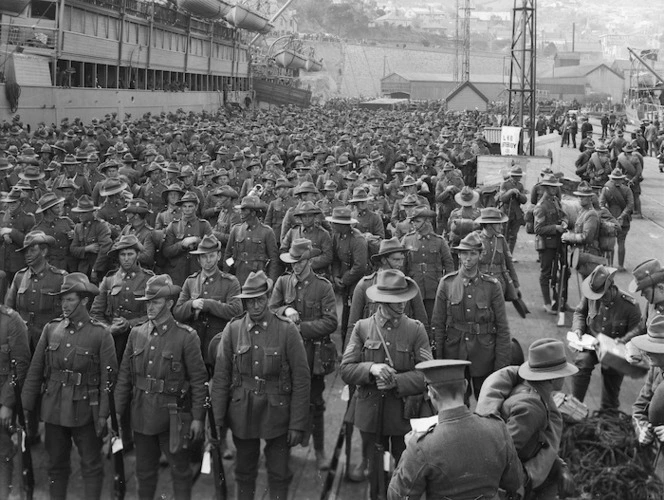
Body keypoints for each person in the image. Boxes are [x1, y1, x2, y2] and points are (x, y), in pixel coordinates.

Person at [211, 271, 311, 500]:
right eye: (250, 301)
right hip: (242, 412)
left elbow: (302, 380)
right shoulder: (233, 330)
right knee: (244, 471)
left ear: (267, 298)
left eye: (260, 299)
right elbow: (221, 378)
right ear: (243, 302)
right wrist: (216, 422)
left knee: (279, 473)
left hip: (278, 414)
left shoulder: (286, 330)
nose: (255, 305)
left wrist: (297, 423)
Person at [21, 273, 117, 500]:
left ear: (84, 300)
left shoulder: (100, 334)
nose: (64, 305)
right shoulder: (51, 329)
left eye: (70, 299)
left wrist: (104, 415)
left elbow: (108, 380)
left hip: (86, 409)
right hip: (53, 408)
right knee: (56, 466)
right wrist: (25, 408)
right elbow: (35, 371)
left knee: (91, 465)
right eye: (62, 300)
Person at [113, 274, 208, 500]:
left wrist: (197, 418)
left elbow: (198, 380)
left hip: (173, 418)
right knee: (143, 472)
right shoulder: (136, 334)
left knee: (180, 472)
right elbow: (125, 377)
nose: (150, 307)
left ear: (169, 304)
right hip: (141, 414)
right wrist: (116, 413)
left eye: (155, 302)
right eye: (147, 302)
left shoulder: (186, 337)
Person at [341, 269, 433, 489]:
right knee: (375, 476)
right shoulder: (363, 328)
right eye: (396, 300)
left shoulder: (415, 329)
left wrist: (397, 381)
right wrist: (371, 368)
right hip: (370, 414)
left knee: (404, 471)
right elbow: (346, 369)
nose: (402, 304)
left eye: (403, 299)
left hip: (403, 415)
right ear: (382, 301)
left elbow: (428, 375)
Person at [387, 359, 523, 500]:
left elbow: (397, 496)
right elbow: (514, 481)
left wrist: (408, 451)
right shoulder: (498, 428)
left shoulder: (420, 446)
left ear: (431, 392)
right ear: (465, 386)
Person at [476, 338, 577, 500]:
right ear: (552, 378)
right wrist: (520, 484)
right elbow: (503, 452)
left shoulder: (530, 391)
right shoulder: (532, 408)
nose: (565, 379)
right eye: (562, 374)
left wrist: (559, 464)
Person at [269, 238, 338, 470]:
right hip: (285, 355)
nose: (295, 267)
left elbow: (330, 322)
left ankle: (319, 450)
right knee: (283, 400)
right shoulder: (282, 282)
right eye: (293, 263)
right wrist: (285, 309)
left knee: (315, 402)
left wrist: (300, 328)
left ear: (308, 260)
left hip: (312, 355)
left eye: (299, 262)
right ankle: (285, 450)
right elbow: (270, 311)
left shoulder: (323, 287)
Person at [431, 232, 511, 400]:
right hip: (454, 353)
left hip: (484, 354)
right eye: (464, 253)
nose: (468, 258)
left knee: (488, 404)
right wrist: (438, 361)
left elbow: (503, 328)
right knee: (457, 405)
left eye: (473, 253)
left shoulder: (492, 286)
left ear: (481, 255)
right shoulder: (447, 283)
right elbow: (437, 325)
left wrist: (500, 366)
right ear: (458, 255)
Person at [570, 265, 641, 409]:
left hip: (616, 349)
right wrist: (578, 329)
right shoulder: (591, 296)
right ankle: (574, 406)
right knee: (582, 364)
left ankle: (608, 415)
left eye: (603, 296)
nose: (600, 300)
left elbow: (636, 336)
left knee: (612, 378)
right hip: (592, 343)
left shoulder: (630, 306)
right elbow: (579, 313)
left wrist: (621, 346)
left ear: (611, 288)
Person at [173, 234, 242, 367]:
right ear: (198, 259)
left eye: (211, 256)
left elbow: (237, 311)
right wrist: (191, 304)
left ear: (219, 257)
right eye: (204, 256)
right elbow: (177, 312)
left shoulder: (230, 282)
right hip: (194, 345)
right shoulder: (191, 281)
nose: (208, 260)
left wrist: (208, 304)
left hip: (220, 343)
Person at [348, 237, 428, 339]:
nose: (400, 264)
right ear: (384, 260)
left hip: (403, 343)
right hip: (373, 343)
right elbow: (353, 325)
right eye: (396, 260)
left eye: (402, 260)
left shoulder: (410, 285)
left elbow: (422, 321)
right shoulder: (365, 285)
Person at [402, 205, 454, 327]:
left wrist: (447, 286)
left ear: (427, 222)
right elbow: (402, 265)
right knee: (414, 320)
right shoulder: (407, 240)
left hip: (433, 286)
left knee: (434, 319)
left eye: (418, 221)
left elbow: (449, 264)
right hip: (414, 285)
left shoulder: (439, 241)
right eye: (413, 221)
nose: (414, 224)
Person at [0, 302, 30, 499]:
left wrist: (7, 403)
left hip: (1, 398)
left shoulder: (11, 321)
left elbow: (20, 364)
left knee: (3, 454)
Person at [327, 206, 368, 343]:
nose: (332, 225)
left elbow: (360, 267)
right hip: (345, 282)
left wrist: (344, 280)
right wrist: (336, 276)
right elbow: (335, 258)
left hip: (357, 283)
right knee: (345, 318)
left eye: (334, 223)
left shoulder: (358, 240)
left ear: (343, 225)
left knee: (354, 317)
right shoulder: (337, 236)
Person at [631, 314, 664, 485]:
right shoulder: (656, 369)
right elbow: (639, 408)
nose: (645, 352)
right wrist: (641, 429)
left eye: (653, 348)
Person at [224, 194, 279, 286]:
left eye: (244, 210)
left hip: (258, 280)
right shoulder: (236, 230)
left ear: (253, 213)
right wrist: (228, 273)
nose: (240, 212)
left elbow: (273, 259)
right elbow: (228, 255)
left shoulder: (267, 232)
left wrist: (271, 281)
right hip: (239, 279)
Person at [533, 174, 568, 314]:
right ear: (545, 188)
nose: (554, 190)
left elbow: (563, 214)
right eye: (551, 187)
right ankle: (547, 303)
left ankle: (559, 301)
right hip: (547, 245)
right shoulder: (541, 206)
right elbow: (538, 229)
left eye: (555, 187)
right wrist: (555, 228)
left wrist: (564, 221)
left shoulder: (556, 201)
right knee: (546, 273)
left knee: (564, 271)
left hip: (559, 242)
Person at [162, 191, 213, 286]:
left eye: (190, 206)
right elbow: (166, 251)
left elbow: (212, 247)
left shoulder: (204, 225)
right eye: (184, 206)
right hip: (177, 272)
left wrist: (198, 241)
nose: (187, 209)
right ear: (181, 208)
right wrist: (181, 245)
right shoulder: (173, 226)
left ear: (196, 207)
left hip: (198, 270)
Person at [476, 207, 521, 301]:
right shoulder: (476, 240)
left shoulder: (500, 239)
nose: (501, 227)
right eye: (498, 224)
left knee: (499, 312)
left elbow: (509, 263)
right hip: (481, 283)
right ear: (488, 226)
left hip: (499, 283)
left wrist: (515, 284)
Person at [280, 201, 333, 276]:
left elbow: (328, 256)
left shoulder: (323, 234)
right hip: (295, 272)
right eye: (304, 216)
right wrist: (294, 263)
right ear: (300, 218)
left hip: (316, 274)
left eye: (310, 216)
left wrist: (307, 264)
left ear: (314, 217)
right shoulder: (292, 232)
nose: (307, 219)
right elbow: (283, 251)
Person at [561, 182, 601, 279]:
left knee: (589, 285)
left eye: (583, 197)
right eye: (579, 196)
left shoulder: (591, 215)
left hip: (590, 254)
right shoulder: (582, 211)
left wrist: (570, 237)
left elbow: (586, 237)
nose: (580, 198)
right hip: (582, 253)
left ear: (590, 198)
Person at [69, 194, 113, 283]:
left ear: (91, 212)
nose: (80, 215)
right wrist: (87, 249)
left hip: (100, 269)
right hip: (83, 270)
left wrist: (95, 269)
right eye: (79, 213)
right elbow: (73, 249)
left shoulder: (101, 226)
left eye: (83, 213)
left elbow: (105, 249)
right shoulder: (78, 227)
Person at [599, 168, 634, 272]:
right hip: (624, 220)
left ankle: (610, 265)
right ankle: (621, 265)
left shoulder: (607, 189)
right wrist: (622, 215)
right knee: (621, 242)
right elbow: (630, 205)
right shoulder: (627, 190)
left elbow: (601, 204)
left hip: (610, 220)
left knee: (610, 242)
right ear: (622, 179)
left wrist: (609, 215)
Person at [32, 191, 76, 272]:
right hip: (51, 268)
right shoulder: (38, 230)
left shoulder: (66, 221)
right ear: (48, 211)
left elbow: (79, 235)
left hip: (70, 265)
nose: (60, 209)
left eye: (59, 207)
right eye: (57, 208)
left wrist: (74, 235)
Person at [498, 166, 528, 255]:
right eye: (518, 176)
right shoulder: (505, 184)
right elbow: (502, 198)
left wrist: (519, 195)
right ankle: (502, 254)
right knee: (504, 235)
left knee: (513, 236)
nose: (520, 178)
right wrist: (510, 192)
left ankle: (510, 254)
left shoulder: (520, 186)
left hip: (516, 214)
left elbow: (524, 200)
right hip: (505, 213)